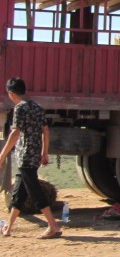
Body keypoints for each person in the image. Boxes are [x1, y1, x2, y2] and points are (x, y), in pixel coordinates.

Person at [0, 77, 62, 239]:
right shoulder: (37, 107)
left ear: (11, 93)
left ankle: (53, 226)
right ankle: (8, 228)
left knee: (35, 192)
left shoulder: (20, 108)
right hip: (33, 155)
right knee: (19, 194)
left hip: (24, 156)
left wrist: (2, 155)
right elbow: (46, 131)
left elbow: (15, 133)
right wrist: (44, 153)